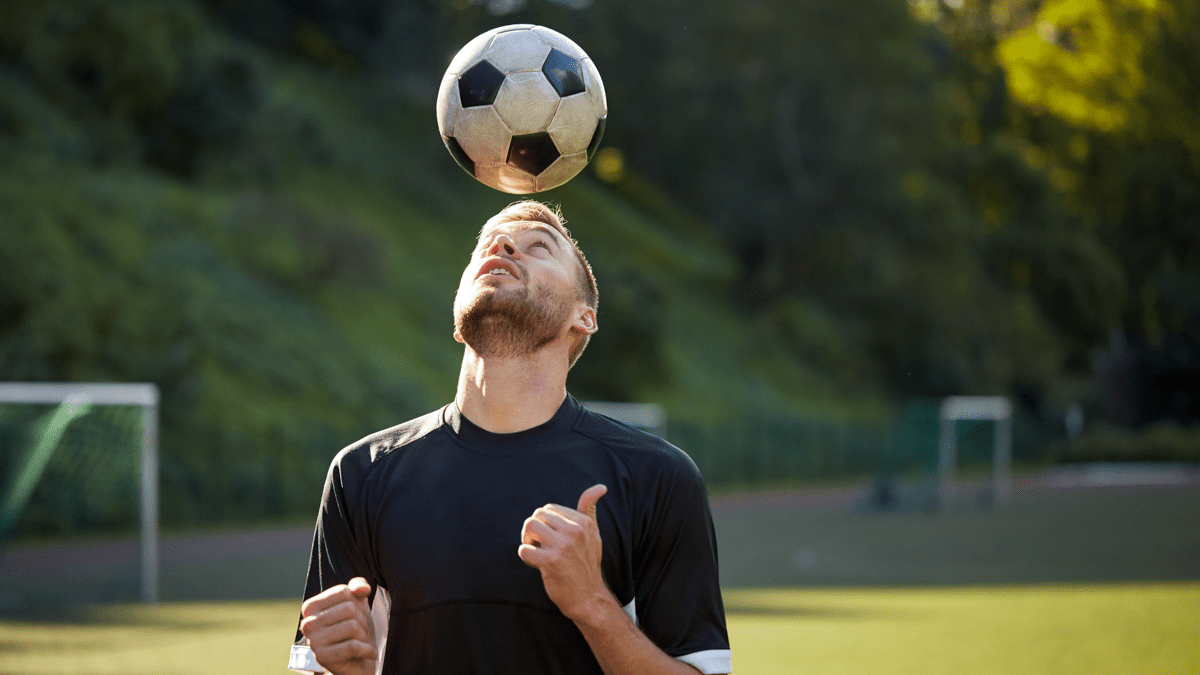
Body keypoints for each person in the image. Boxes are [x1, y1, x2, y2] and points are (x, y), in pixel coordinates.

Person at [287, 201, 731, 675]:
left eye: (539, 246)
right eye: (487, 245)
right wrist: (345, 670)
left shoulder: (658, 478)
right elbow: (326, 669)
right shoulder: (362, 473)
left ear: (584, 318)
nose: (502, 246)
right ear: (459, 302)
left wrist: (593, 605)